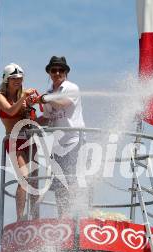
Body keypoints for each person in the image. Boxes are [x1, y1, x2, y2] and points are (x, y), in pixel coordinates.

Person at [36, 56, 85, 217]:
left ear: (66, 72)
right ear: (49, 73)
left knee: (71, 178)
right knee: (58, 182)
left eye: (61, 70)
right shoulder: (50, 93)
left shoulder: (71, 88)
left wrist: (43, 98)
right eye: (53, 70)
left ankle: (77, 215)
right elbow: (47, 117)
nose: (57, 73)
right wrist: (28, 121)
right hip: (57, 144)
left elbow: (61, 103)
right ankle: (63, 216)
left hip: (73, 140)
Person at [0, 63, 40, 221]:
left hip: (30, 138)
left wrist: (39, 101)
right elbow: (10, 110)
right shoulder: (0, 97)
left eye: (20, 78)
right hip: (14, 139)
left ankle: (35, 216)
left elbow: (32, 116)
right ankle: (20, 218)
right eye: (14, 78)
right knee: (24, 177)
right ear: (7, 79)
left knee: (35, 179)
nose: (18, 81)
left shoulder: (24, 96)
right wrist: (23, 98)